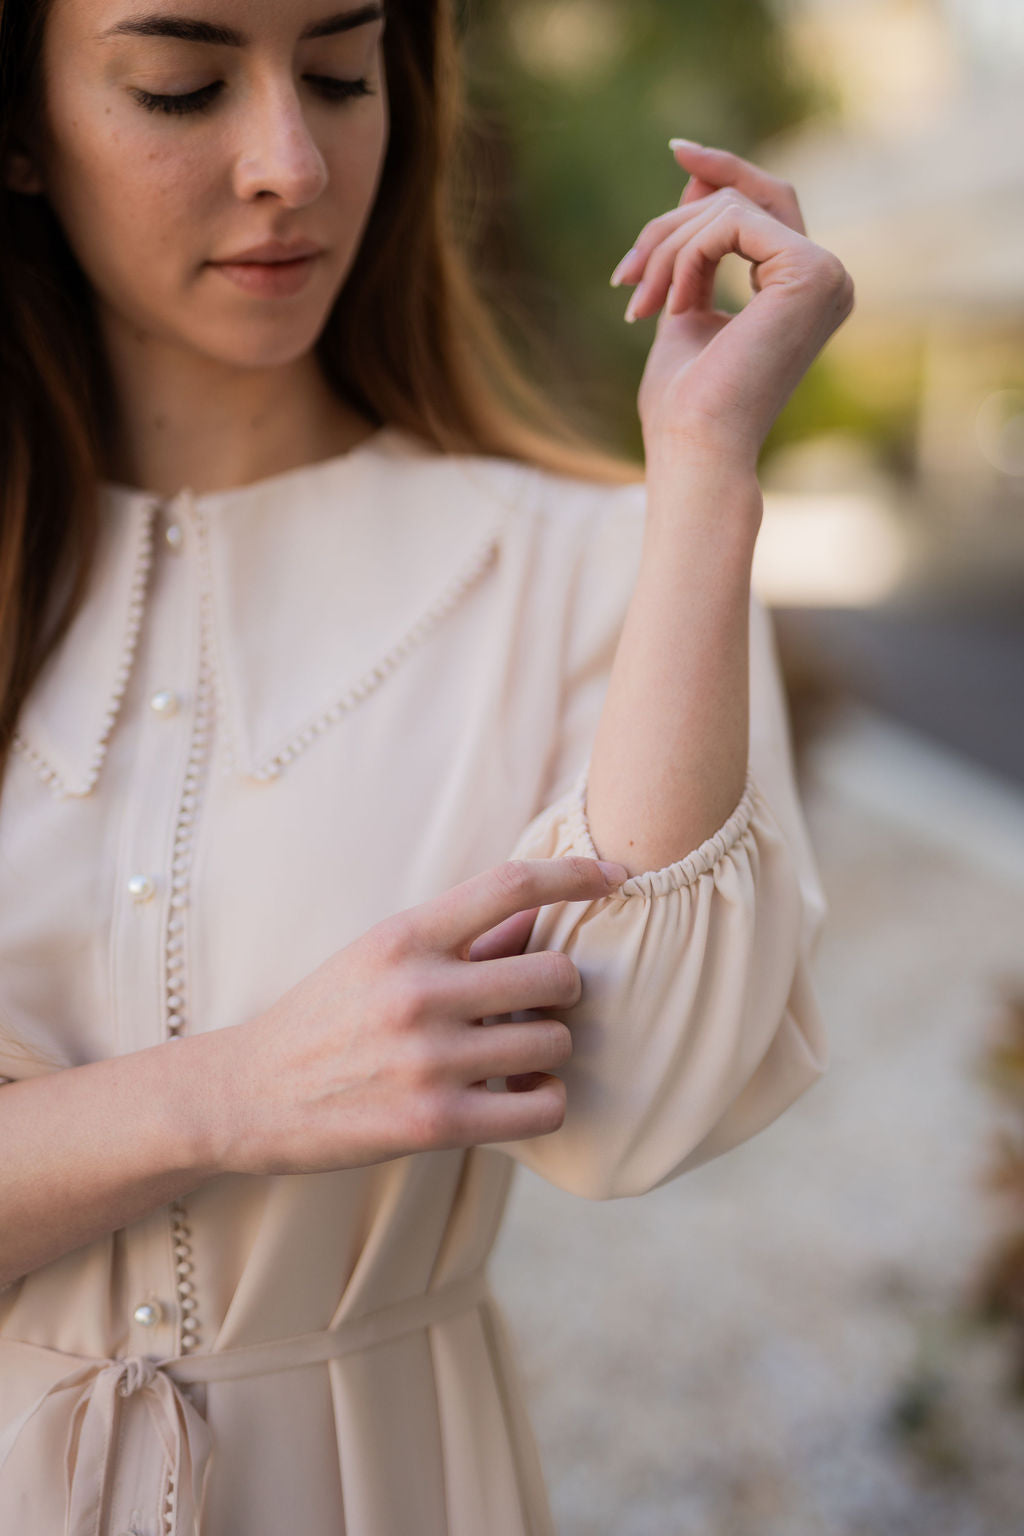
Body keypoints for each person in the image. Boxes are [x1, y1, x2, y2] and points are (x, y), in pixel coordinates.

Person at [0, 0, 852, 1531]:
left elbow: (639, 1107)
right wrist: (235, 1097)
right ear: (19, 126)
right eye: (182, 88)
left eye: (340, 74)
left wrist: (709, 478)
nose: (292, 163)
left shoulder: (590, 561)